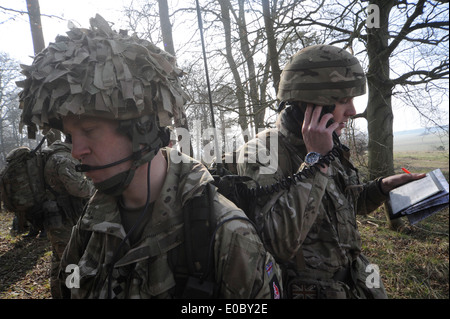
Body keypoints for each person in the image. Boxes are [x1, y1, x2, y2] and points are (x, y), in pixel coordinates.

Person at [17, 14, 281, 299]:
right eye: (70, 136)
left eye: (89, 130)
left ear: (142, 130)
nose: (76, 150)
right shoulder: (90, 224)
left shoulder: (225, 234)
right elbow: (68, 288)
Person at [236, 44, 425, 299]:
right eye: (343, 100)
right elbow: (277, 242)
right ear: (314, 104)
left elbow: (347, 205)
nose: (353, 111)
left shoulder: (329, 144)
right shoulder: (263, 152)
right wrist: (316, 161)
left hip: (357, 283)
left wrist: (381, 188)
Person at [41, 139, 95, 298]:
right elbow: (80, 188)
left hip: (59, 218)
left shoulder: (55, 155)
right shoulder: (62, 159)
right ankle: (72, 294)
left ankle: (59, 294)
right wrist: (99, 183)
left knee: (59, 261)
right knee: (71, 263)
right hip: (62, 219)